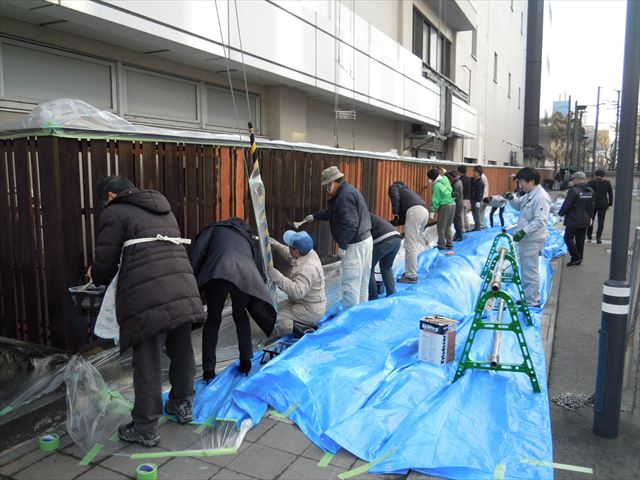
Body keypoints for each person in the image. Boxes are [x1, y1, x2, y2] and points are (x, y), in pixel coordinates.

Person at [89, 176, 204, 447]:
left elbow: (105, 262)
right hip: (182, 286)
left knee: (148, 360)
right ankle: (181, 404)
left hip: (147, 292)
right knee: (181, 348)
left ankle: (145, 426)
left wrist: (95, 274)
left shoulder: (115, 211)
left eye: (104, 202)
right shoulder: (163, 209)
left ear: (110, 196)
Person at [190, 218, 276, 383]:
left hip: (218, 273)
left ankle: (208, 370)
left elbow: (198, 251)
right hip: (244, 274)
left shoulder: (214, 229)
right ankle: (246, 362)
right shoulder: (247, 235)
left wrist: (191, 279)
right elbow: (255, 261)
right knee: (240, 314)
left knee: (213, 319)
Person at [303, 166, 372, 308]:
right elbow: (334, 212)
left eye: (326, 186)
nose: (326, 190)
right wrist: (315, 216)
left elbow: (351, 223)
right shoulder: (347, 192)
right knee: (362, 283)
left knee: (351, 284)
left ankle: (351, 321)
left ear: (333, 182)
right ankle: (361, 316)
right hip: (365, 241)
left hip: (355, 245)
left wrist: (343, 246)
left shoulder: (344, 196)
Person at [506, 167, 552, 307]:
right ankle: (528, 297)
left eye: (522, 182)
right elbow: (520, 206)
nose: (520, 185)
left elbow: (540, 220)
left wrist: (523, 232)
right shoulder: (529, 193)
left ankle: (532, 301)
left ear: (531, 181)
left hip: (532, 239)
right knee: (526, 270)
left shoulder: (541, 197)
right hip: (526, 238)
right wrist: (512, 198)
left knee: (530, 271)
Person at [268, 231, 326, 336]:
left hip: (310, 309)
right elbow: (290, 255)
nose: (288, 247)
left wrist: (278, 278)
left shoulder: (308, 268)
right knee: (272, 310)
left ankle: (302, 329)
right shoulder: (308, 252)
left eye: (290, 246)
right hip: (302, 303)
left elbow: (297, 292)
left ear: (297, 252)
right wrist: (276, 245)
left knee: (274, 320)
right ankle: (299, 322)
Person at [387, 181, 429, 283]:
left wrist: (395, 213)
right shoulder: (408, 194)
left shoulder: (395, 187)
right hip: (424, 212)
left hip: (415, 212)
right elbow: (403, 218)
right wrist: (393, 222)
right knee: (412, 245)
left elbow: (395, 197)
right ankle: (411, 271)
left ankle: (411, 275)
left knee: (410, 245)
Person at [558, 172, 595, 266]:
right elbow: (592, 205)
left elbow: (567, 204)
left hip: (573, 219)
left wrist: (560, 214)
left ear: (577, 179)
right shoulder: (590, 191)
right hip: (585, 219)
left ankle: (575, 257)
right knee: (580, 239)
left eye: (573, 179)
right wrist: (590, 217)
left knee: (568, 238)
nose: (573, 181)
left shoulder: (574, 191)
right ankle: (579, 257)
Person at [368, 214, 402, 300]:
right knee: (386, 267)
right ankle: (392, 294)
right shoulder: (369, 215)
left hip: (384, 239)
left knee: (368, 268)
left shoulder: (360, 216)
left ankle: (372, 297)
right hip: (397, 238)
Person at [427, 168, 455, 250]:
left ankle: (441, 245)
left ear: (432, 178)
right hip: (453, 204)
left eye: (429, 178)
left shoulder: (436, 185)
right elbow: (445, 176)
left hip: (445, 206)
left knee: (441, 227)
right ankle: (449, 243)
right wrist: (445, 172)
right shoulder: (445, 178)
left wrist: (432, 210)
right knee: (448, 226)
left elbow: (435, 199)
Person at [587, 169, 613, 244]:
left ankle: (589, 235)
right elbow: (610, 193)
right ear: (604, 175)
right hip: (603, 204)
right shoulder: (607, 183)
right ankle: (598, 238)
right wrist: (610, 203)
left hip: (593, 204)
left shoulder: (590, 183)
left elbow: (588, 193)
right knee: (601, 221)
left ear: (595, 175)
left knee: (591, 219)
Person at [446, 170, 464, 241]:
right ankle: (458, 234)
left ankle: (459, 235)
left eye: (450, 177)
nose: (449, 179)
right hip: (458, 203)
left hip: (457, 204)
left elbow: (455, 195)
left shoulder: (457, 185)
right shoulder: (458, 181)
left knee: (457, 219)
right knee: (457, 219)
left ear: (454, 177)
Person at [458, 165, 472, 232]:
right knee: (465, 214)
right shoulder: (468, 179)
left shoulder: (460, 180)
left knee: (461, 215)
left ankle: (462, 229)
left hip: (463, 199)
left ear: (459, 171)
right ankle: (467, 228)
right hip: (468, 200)